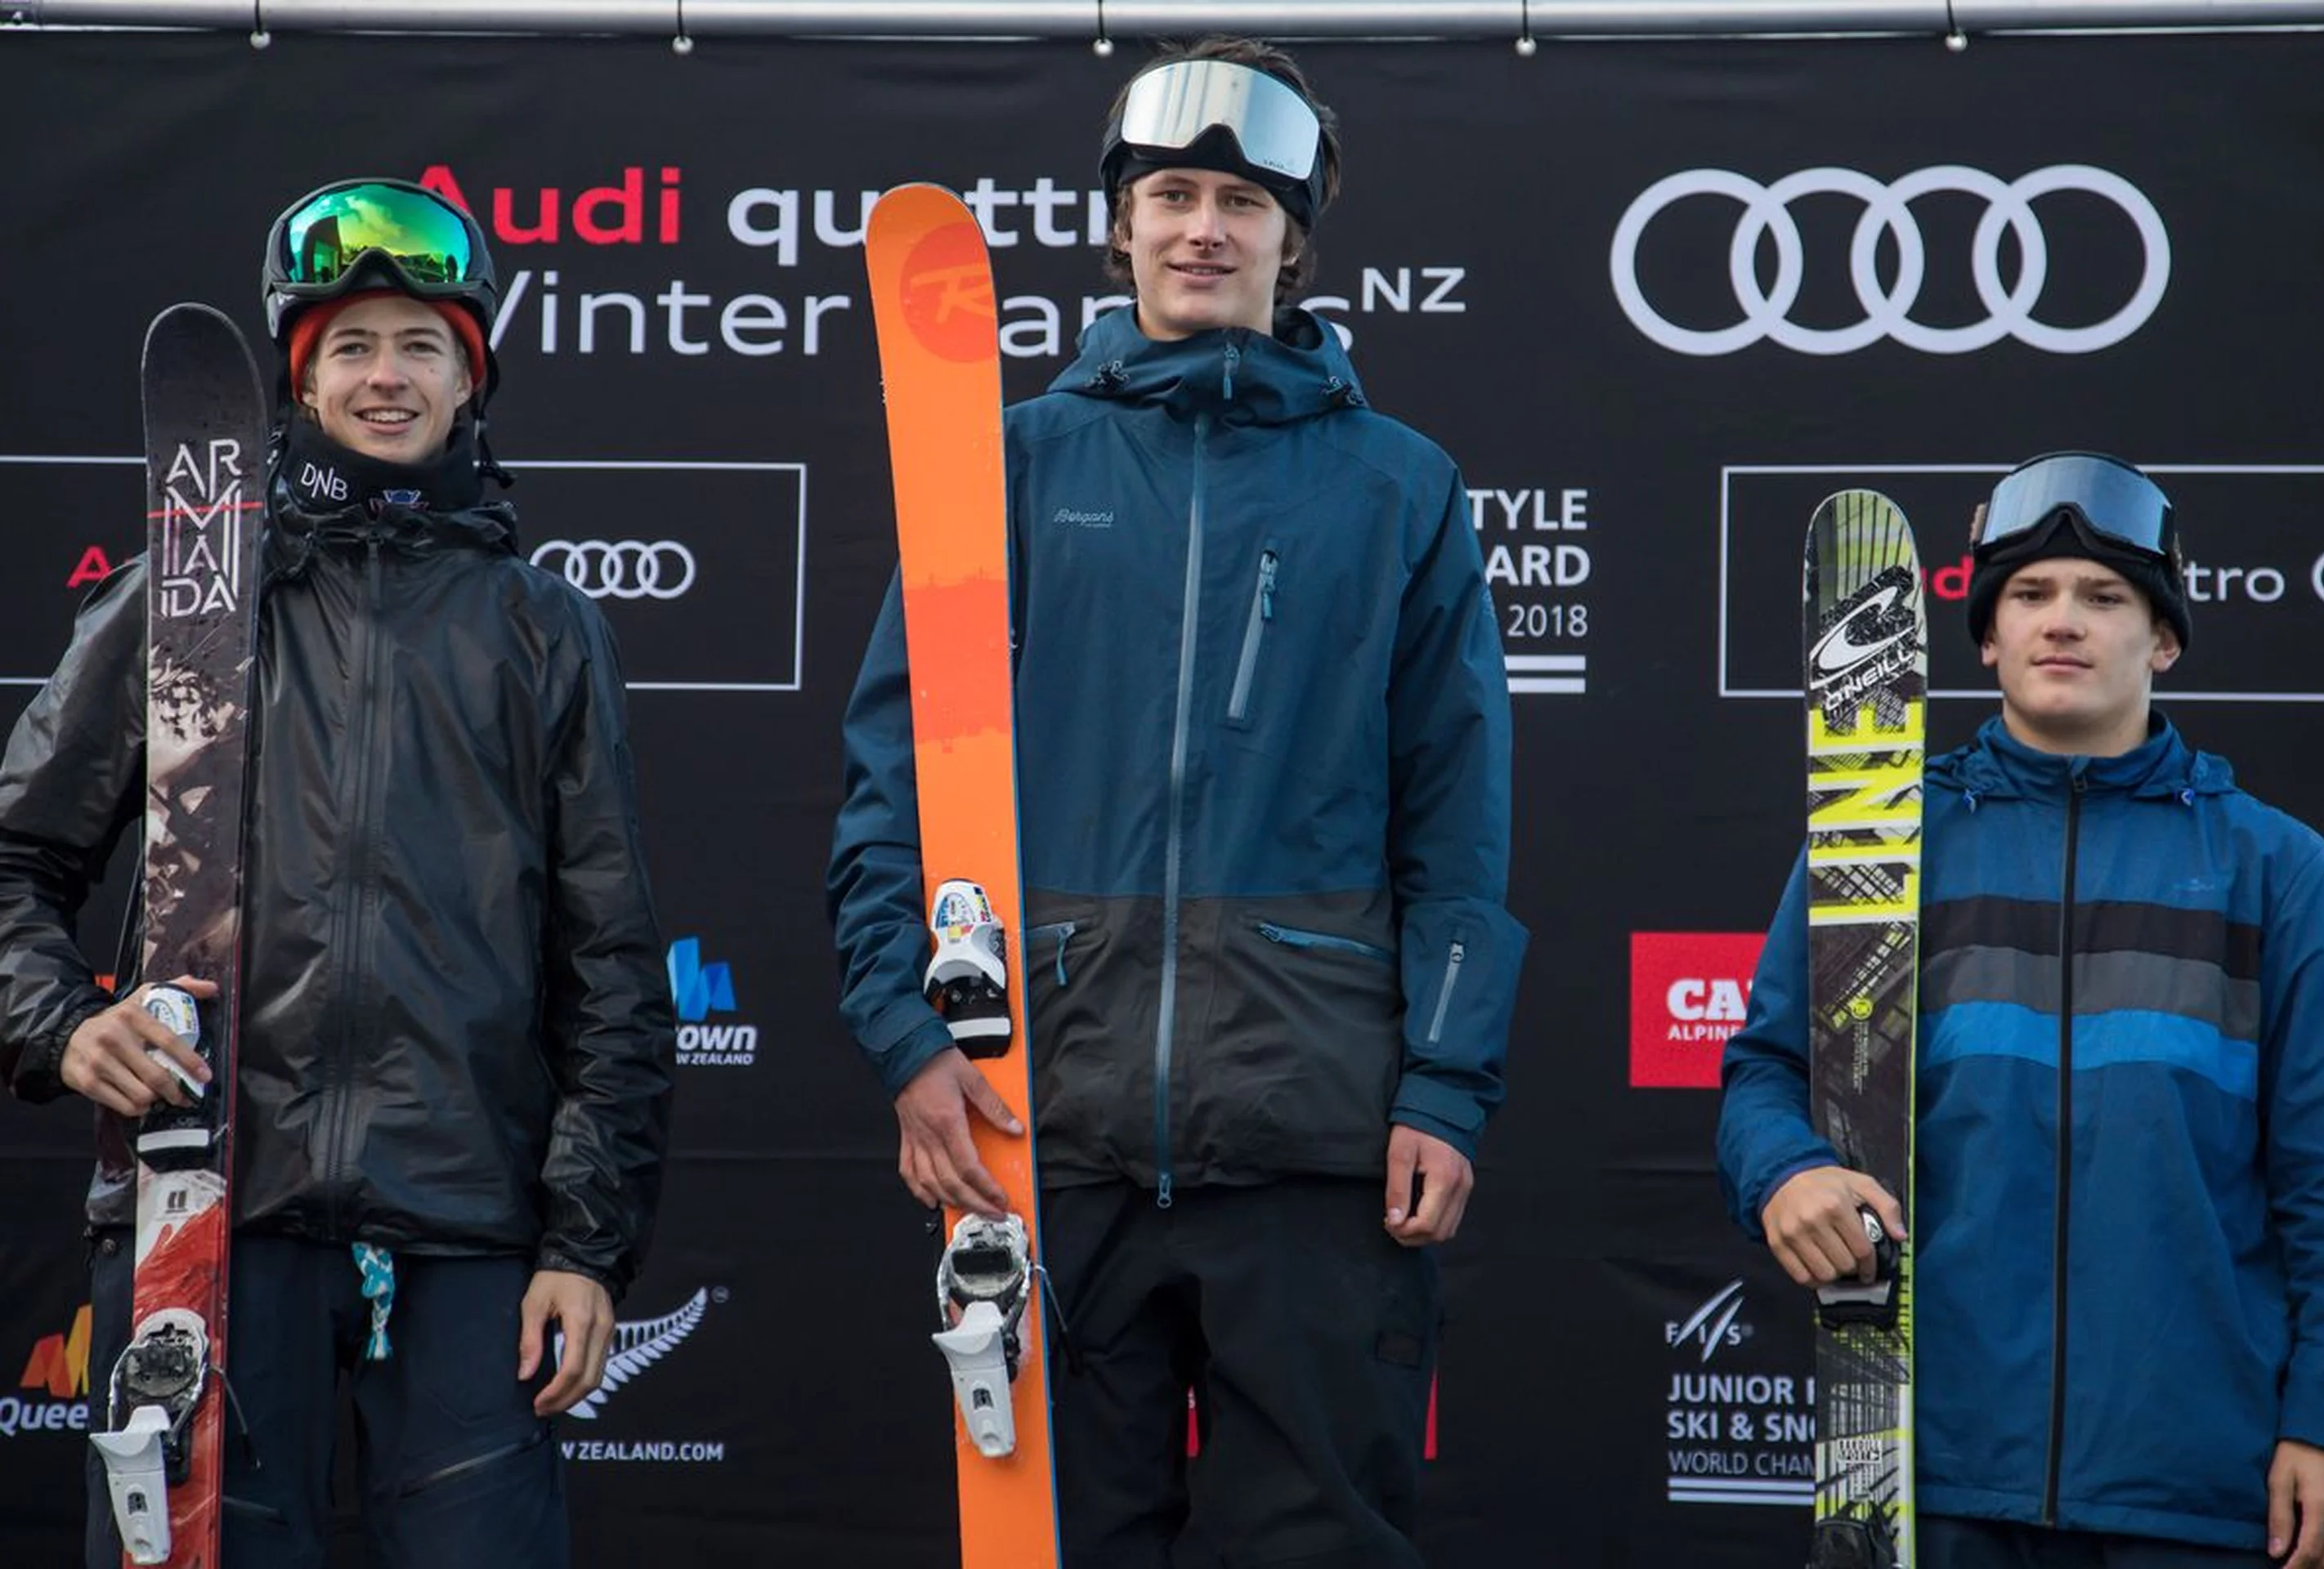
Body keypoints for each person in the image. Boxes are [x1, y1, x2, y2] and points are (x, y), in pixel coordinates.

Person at [828, 36, 1525, 1568]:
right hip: (1045, 1128)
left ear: (1295, 239)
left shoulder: (1400, 486)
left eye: (1242, 202)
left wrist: (1443, 1088)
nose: (1205, 227)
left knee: (1319, 1543)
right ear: (1121, 225)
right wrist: (903, 1038)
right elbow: (897, 792)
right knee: (1065, 1543)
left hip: (1317, 1139)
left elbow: (1458, 818)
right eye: (1172, 195)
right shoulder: (1005, 463)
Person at [0, 177, 674, 1568]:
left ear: (468, 374)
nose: (387, 376)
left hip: (472, 1238)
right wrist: (63, 1023)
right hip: (212, 1220)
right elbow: (15, 860)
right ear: (302, 376)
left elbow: (609, 963)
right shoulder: (188, 595)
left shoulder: (543, 628)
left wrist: (587, 1247)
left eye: (421, 345)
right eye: (352, 345)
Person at [1717, 453, 2324, 1569]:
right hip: (1933, 1471)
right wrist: (1787, 1170)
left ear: (2162, 640)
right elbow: (1769, 1070)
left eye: (2105, 597)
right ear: (1986, 637)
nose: (2065, 621)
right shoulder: (1887, 842)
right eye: (2031, 594)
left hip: (2194, 1483)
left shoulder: (2273, 869)